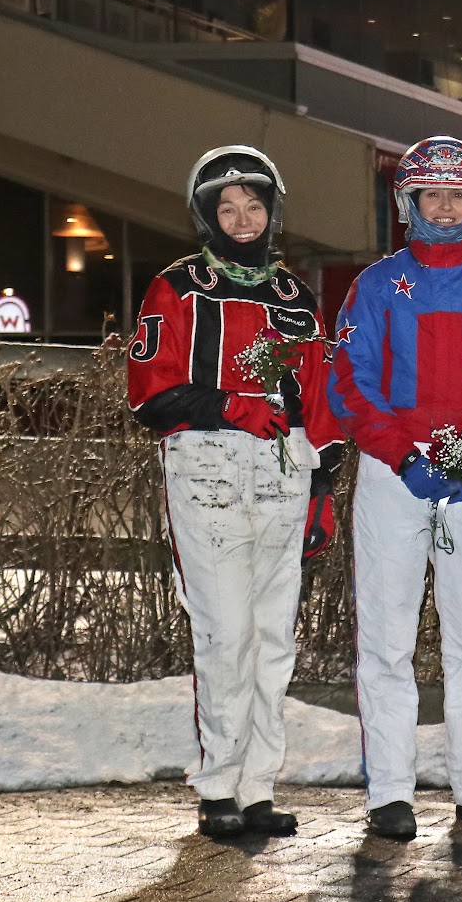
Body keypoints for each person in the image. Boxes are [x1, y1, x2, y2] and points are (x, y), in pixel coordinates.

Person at [128, 146, 343, 839]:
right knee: (225, 634)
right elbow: (149, 394)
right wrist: (228, 406)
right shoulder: (176, 287)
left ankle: (258, 789)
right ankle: (218, 785)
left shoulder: (295, 296)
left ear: (272, 211)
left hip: (285, 471)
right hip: (208, 469)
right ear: (206, 216)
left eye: (254, 204)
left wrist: (323, 487)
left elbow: (320, 401)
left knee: (274, 638)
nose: (243, 218)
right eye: (228, 207)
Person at [328, 137, 462, 840]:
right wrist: (400, 454)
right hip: (394, 472)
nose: (444, 208)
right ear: (407, 202)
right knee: (386, 638)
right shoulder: (376, 285)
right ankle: (390, 791)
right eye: (431, 195)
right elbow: (351, 380)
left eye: (457, 196)